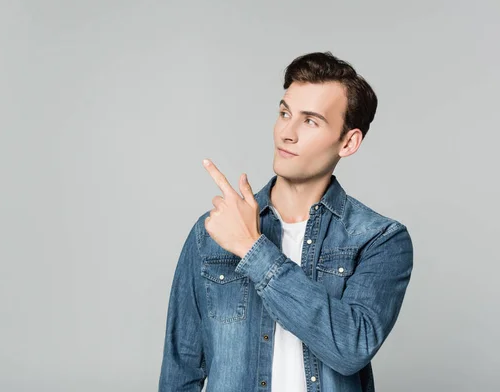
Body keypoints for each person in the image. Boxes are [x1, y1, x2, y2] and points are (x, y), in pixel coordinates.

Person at [158, 51, 414, 392]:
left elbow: (352, 348)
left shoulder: (379, 239)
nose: (286, 133)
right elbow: (181, 368)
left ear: (349, 141)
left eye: (310, 121)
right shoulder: (212, 233)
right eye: (284, 113)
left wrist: (253, 249)